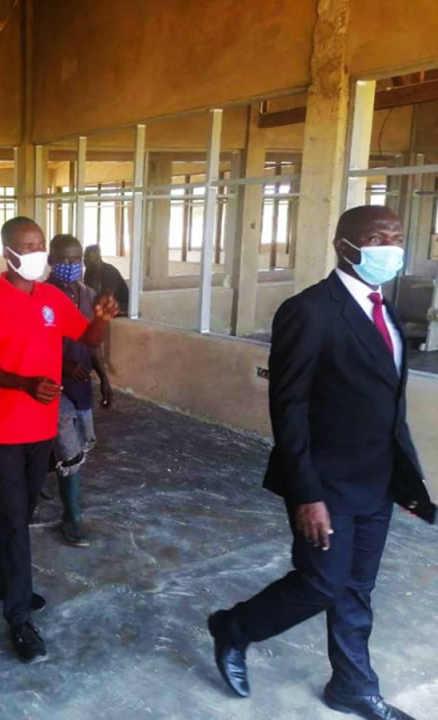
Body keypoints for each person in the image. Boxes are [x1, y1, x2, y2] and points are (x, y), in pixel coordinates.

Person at [207, 206, 435, 720]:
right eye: (377, 237)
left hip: (377, 480)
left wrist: (407, 480)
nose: (390, 248)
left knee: (357, 587)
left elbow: (388, 406)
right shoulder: (309, 310)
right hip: (325, 482)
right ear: (344, 245)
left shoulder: (385, 307)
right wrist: (306, 493)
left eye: (397, 237)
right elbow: (289, 410)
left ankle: (353, 686)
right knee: (322, 583)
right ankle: (233, 628)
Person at [0, 216, 118, 662]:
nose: (37, 253)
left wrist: (102, 320)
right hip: (2, 427)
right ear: (8, 252)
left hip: (41, 425)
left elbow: (86, 336)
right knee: (14, 518)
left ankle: (0, 579)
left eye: (40, 245)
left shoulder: (52, 297)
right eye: (27, 245)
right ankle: (19, 616)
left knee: (24, 508)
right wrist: (25, 384)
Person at [46, 234, 115, 547]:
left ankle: (38, 478)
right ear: (51, 260)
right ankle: (71, 516)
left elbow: (93, 342)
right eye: (64, 259)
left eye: (76, 259)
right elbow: (31, 345)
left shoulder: (89, 295)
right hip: (49, 384)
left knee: (71, 443)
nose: (71, 265)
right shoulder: (41, 296)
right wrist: (61, 366)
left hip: (81, 384)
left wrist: (104, 379)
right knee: (68, 445)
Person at [83, 244, 130, 314]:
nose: (84, 260)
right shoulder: (89, 272)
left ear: (97, 258)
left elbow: (109, 297)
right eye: (84, 257)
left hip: (119, 306)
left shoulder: (109, 272)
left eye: (88, 257)